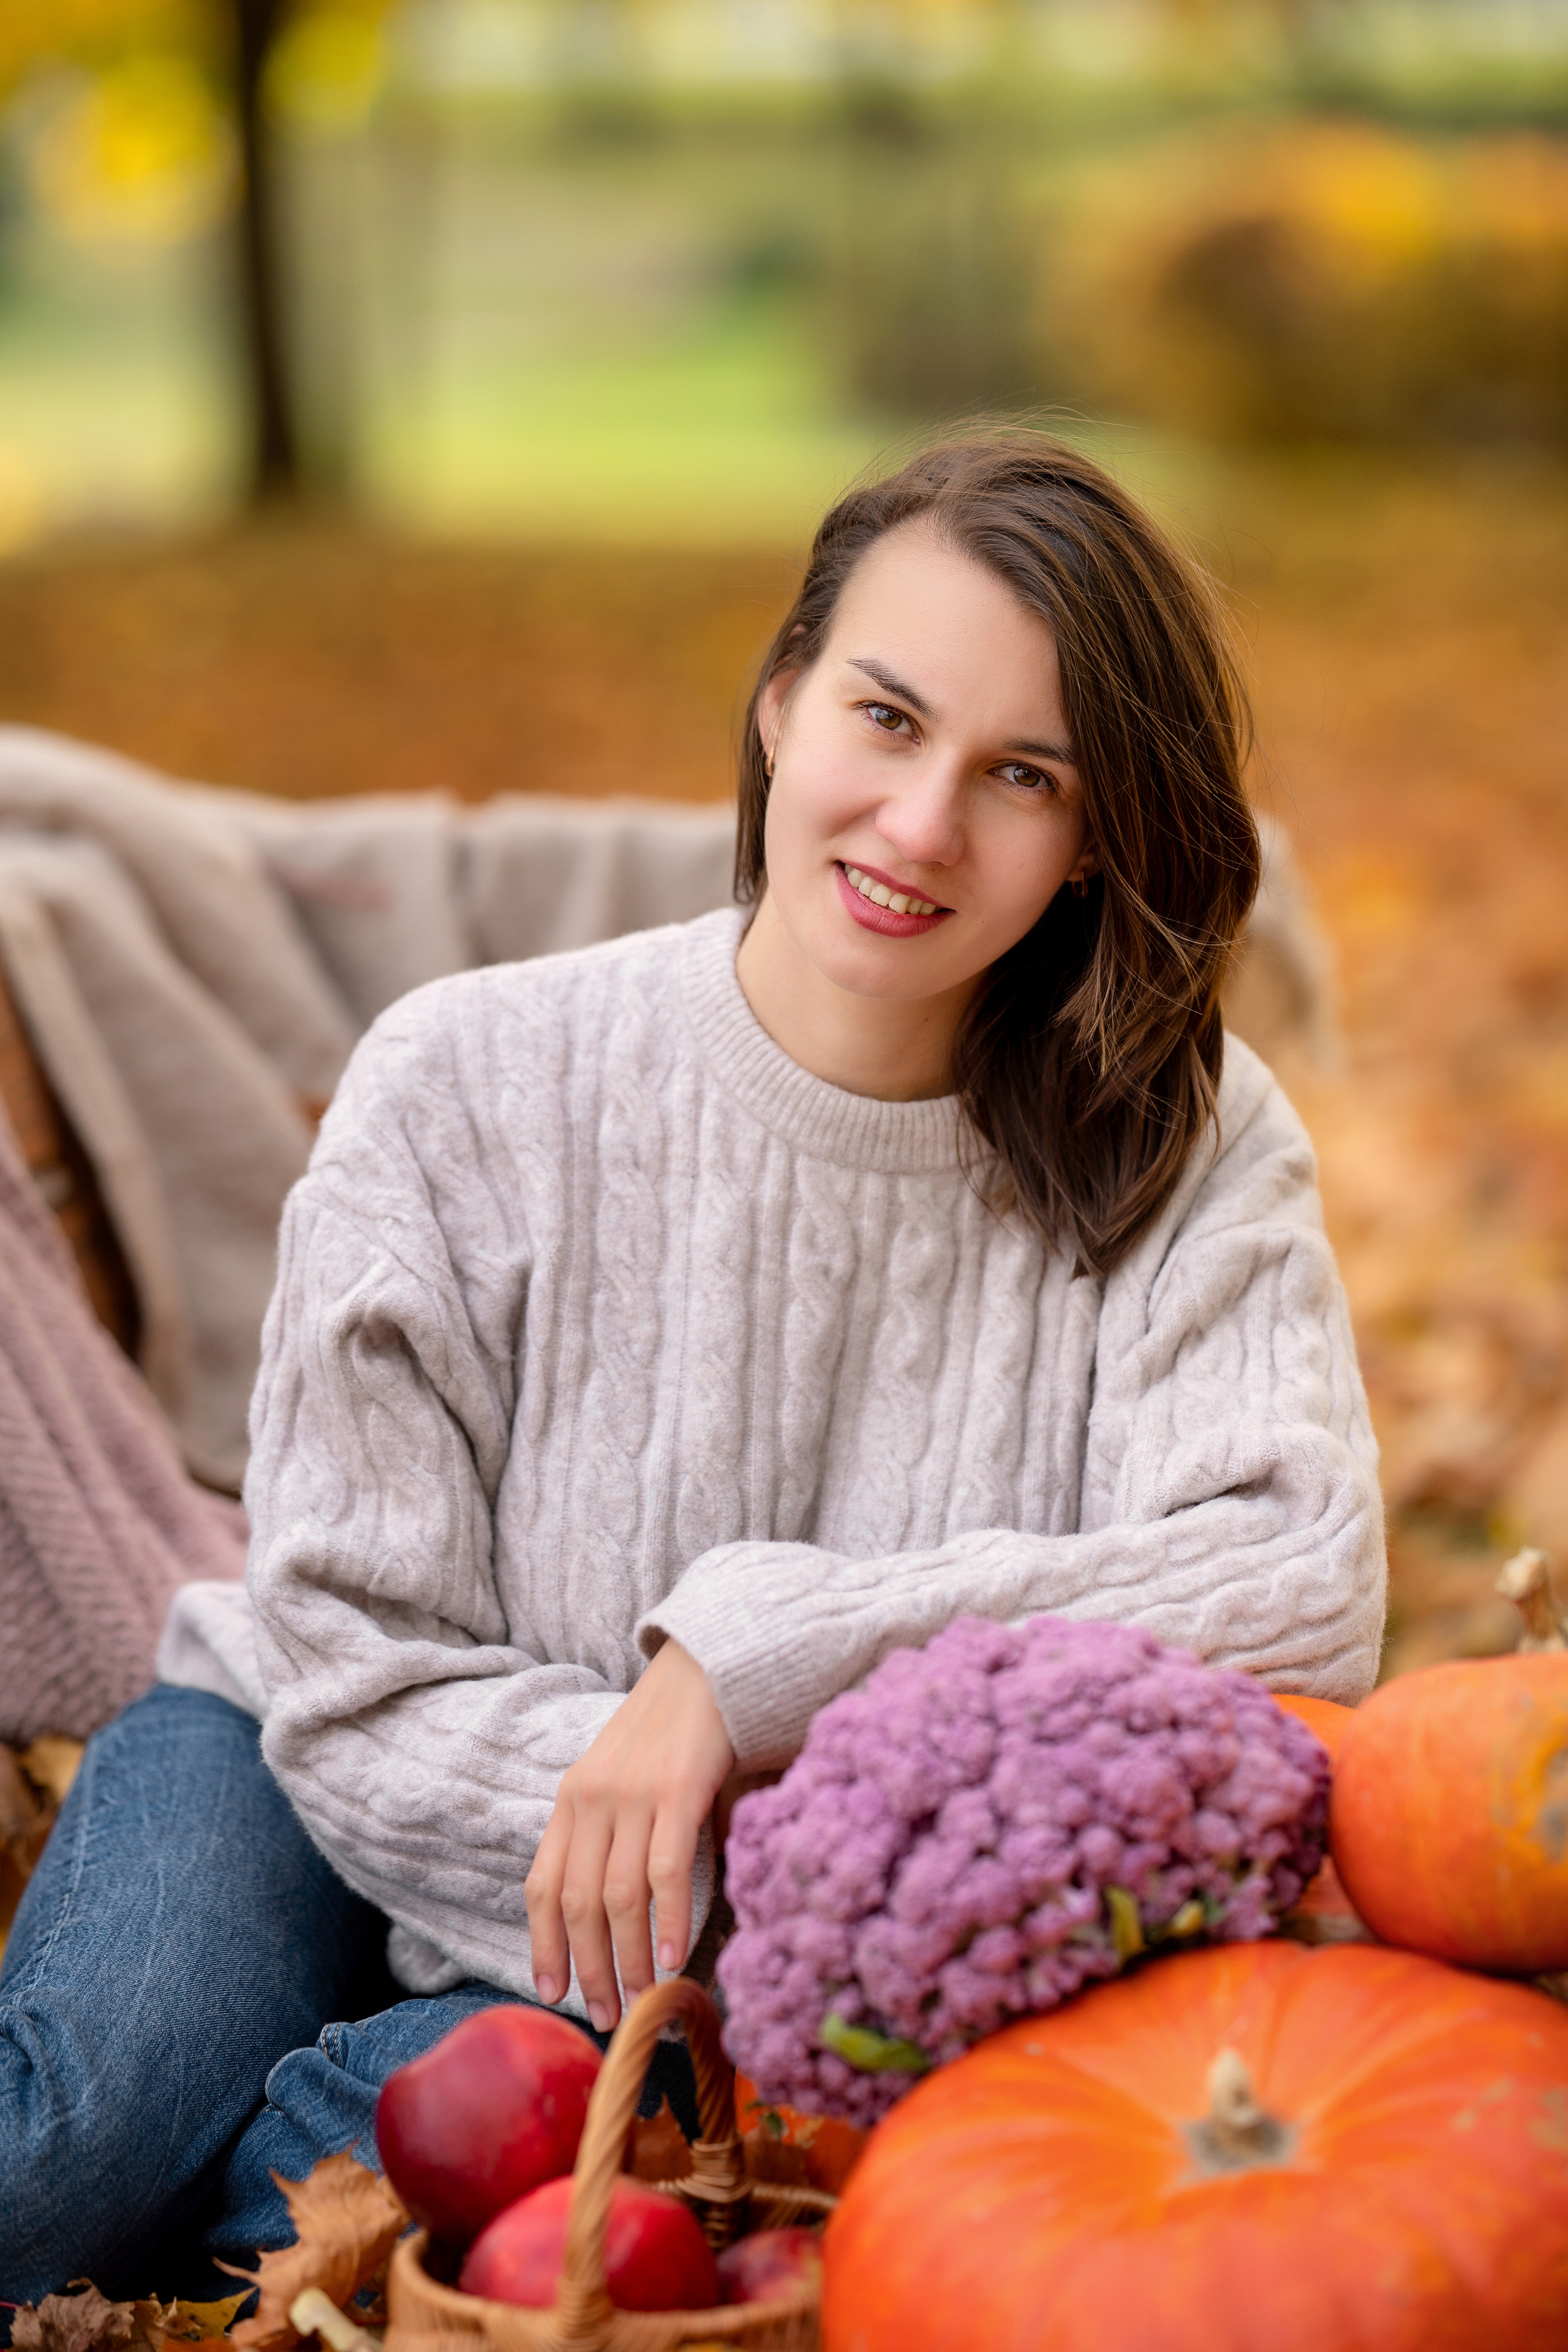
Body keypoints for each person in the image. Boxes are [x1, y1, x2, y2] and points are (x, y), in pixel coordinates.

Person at [0, 432, 1384, 2298]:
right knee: (62, 2163)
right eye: (885, 720)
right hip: (305, 1749)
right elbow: (345, 1657)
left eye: (1022, 777)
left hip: (726, 1936)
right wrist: (692, 1798)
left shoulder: (1190, 1146)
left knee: (481, 2172)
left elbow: (1294, 1584)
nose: (919, 828)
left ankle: (295, 2137)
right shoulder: (470, 1078)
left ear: (1095, 836)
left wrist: (752, 1668)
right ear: (780, 701)